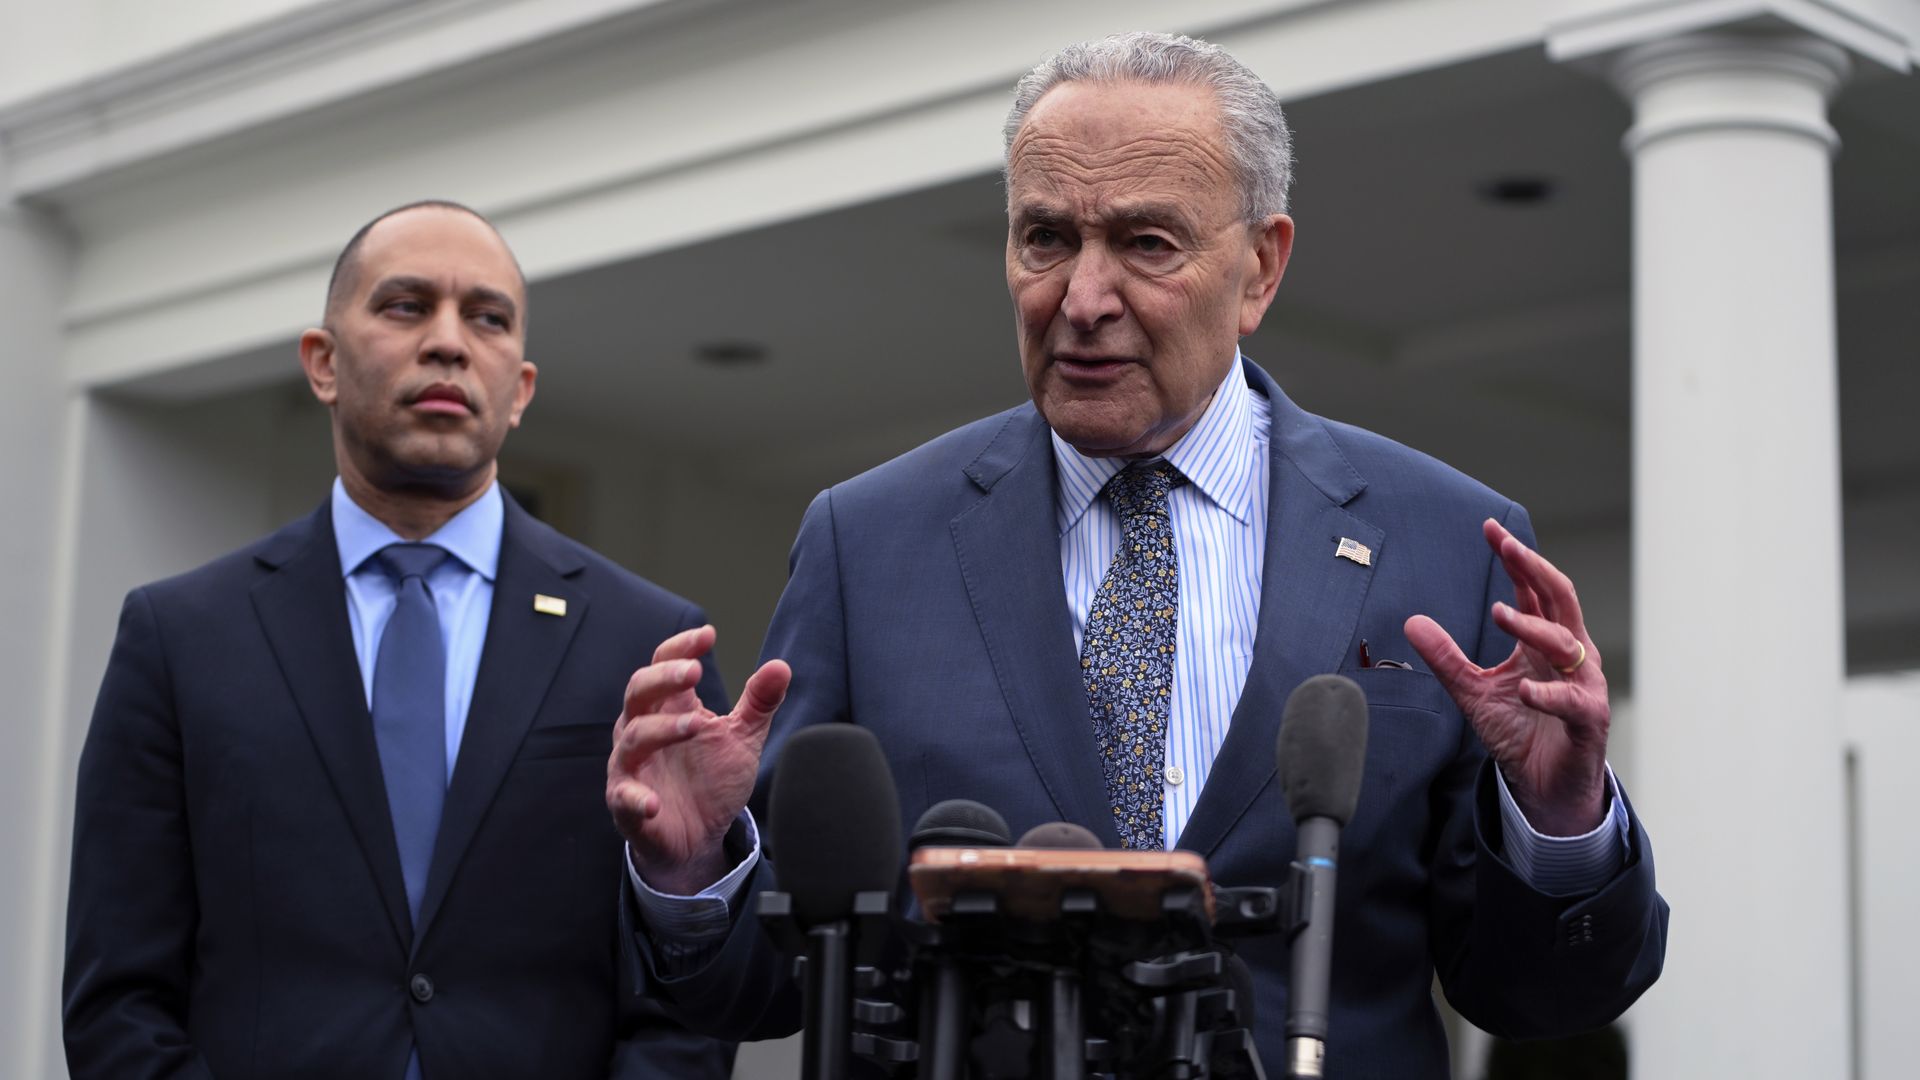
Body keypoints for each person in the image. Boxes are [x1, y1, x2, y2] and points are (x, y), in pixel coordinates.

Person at [607, 33, 1668, 1077]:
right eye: (1047, 238)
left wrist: (1559, 818)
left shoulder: (1447, 542)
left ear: (1260, 266)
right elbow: (767, 983)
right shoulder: (868, 541)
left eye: (1147, 243)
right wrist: (696, 870)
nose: (1082, 299)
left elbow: (1541, 998)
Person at [63, 201, 736, 1079]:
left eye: (487, 318)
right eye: (406, 306)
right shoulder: (179, 637)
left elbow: (689, 1007)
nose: (450, 343)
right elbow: (119, 998)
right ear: (323, 363)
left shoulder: (647, 644)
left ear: (521, 388)